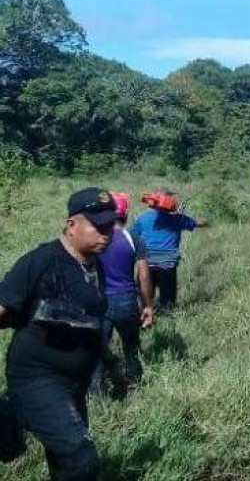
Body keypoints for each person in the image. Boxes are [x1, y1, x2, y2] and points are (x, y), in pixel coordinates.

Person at [0, 187, 122, 480]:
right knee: (82, 459)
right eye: (98, 225)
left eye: (110, 225)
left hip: (74, 382)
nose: (107, 232)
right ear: (72, 225)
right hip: (36, 378)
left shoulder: (95, 265)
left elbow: (91, 324)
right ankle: (9, 417)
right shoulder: (41, 261)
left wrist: (111, 363)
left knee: (64, 463)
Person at [93, 192, 155, 391]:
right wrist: (148, 305)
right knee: (130, 349)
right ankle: (134, 390)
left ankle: (96, 395)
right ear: (125, 214)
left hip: (100, 299)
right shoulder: (132, 237)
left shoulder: (95, 237)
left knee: (98, 350)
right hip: (127, 300)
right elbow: (144, 275)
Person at [130, 190, 207, 312]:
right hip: (167, 266)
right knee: (168, 302)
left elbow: (131, 235)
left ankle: (143, 318)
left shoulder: (143, 218)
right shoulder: (178, 219)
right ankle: (167, 317)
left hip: (145, 264)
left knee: (142, 299)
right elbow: (200, 223)